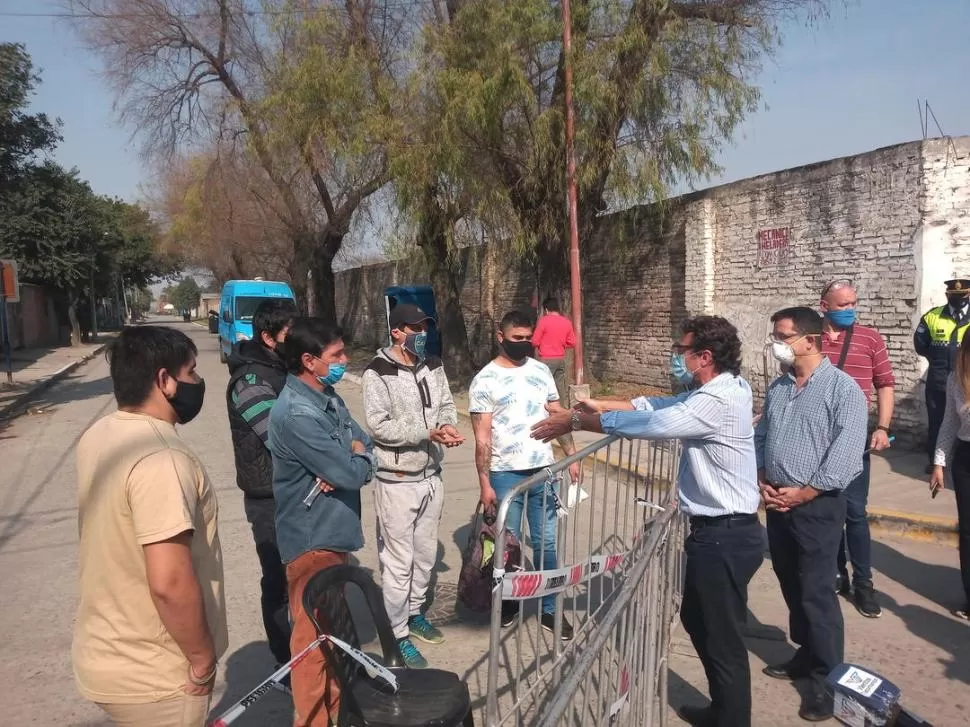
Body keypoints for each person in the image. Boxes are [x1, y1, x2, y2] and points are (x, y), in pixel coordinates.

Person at [531, 315, 764, 727]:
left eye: (682, 351)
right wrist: (602, 406)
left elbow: (657, 423)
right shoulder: (720, 387)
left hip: (726, 535)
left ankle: (733, 719)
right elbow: (657, 405)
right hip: (715, 534)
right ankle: (722, 709)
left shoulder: (717, 400)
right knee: (697, 618)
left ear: (704, 357)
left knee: (723, 639)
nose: (676, 357)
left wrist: (575, 421)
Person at [73, 326, 226, 726]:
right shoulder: (162, 459)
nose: (197, 382)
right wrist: (201, 661)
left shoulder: (102, 433)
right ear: (165, 381)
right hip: (156, 674)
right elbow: (169, 582)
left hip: (104, 651)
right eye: (191, 372)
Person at [756, 307, 867, 722]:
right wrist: (763, 477)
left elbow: (846, 452)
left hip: (817, 505)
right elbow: (763, 433)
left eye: (782, 336)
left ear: (809, 340)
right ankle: (805, 653)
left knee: (817, 592)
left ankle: (826, 678)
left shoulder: (843, 390)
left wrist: (805, 492)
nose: (776, 344)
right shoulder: (779, 387)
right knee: (789, 580)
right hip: (778, 501)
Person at [268, 318, 378, 727]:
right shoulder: (296, 413)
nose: (344, 361)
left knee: (329, 640)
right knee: (312, 647)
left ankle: (336, 712)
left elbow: (362, 447)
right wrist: (353, 461)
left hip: (333, 537)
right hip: (311, 542)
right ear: (308, 360)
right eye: (336, 356)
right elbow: (350, 473)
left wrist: (356, 456)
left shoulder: (327, 397)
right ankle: (312, 720)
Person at [361, 303, 465, 669]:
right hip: (397, 481)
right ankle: (397, 634)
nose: (422, 334)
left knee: (424, 558)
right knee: (399, 562)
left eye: (425, 327)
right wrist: (425, 433)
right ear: (397, 332)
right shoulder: (377, 372)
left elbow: (447, 405)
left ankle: (415, 612)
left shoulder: (433, 365)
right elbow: (378, 426)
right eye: (415, 328)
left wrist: (447, 426)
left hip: (430, 478)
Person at [469, 309, 581, 641]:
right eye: (517, 339)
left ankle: (550, 610)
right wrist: (484, 482)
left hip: (544, 472)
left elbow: (556, 415)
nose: (524, 344)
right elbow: (482, 436)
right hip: (505, 475)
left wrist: (572, 455)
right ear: (500, 337)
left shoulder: (541, 372)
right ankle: (510, 603)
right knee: (509, 547)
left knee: (547, 543)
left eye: (528, 338)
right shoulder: (485, 380)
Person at [225, 298, 299, 674]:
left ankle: (307, 651)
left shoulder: (283, 368)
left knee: (303, 576)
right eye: (291, 332)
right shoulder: (251, 381)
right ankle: (283, 658)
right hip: (268, 496)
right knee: (278, 580)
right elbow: (281, 438)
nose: (298, 338)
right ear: (269, 337)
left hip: (293, 490)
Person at [819, 279, 895, 618]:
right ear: (825, 305)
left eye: (853, 303)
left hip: (855, 437)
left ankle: (864, 583)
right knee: (827, 508)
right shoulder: (810, 338)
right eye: (843, 305)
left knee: (855, 513)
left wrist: (882, 427)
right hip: (817, 437)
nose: (851, 309)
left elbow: (885, 384)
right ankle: (837, 573)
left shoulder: (870, 338)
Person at [929, 332, 970, 621]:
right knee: (968, 532)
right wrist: (939, 464)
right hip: (966, 459)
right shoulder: (958, 380)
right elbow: (949, 423)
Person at [915, 278, 970, 473]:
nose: (959, 299)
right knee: (938, 422)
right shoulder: (933, 316)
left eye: (963, 296)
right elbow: (920, 344)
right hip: (939, 380)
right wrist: (939, 361)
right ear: (947, 295)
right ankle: (936, 462)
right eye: (954, 296)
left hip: (967, 382)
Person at [532, 297, 577, 404]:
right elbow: (572, 342)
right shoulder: (567, 322)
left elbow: (535, 342)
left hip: (545, 359)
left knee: (542, 385)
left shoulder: (544, 321)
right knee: (559, 385)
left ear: (546, 310)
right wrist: (561, 345)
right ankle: (561, 408)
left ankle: (542, 409)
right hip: (560, 358)